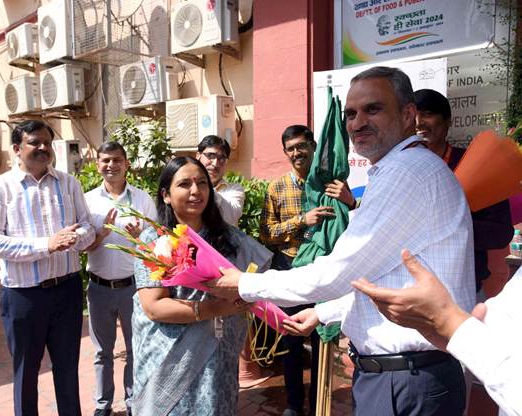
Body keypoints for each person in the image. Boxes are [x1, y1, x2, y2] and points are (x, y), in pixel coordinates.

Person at [208, 66, 477, 416]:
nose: (356, 123)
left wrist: (244, 283)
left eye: (373, 109)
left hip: (407, 379)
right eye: (351, 113)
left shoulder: (407, 173)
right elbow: (379, 277)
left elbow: (341, 270)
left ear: (408, 114)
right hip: (400, 376)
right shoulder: (396, 170)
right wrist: (322, 312)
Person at [131, 156, 272, 415]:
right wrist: (216, 308)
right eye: (184, 184)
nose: (196, 191)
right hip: (171, 357)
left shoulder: (229, 239)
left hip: (219, 354)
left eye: (202, 183)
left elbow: (255, 279)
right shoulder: (154, 239)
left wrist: (248, 296)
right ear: (166, 195)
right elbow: (154, 307)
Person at [0, 120, 95, 416]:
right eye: (35, 142)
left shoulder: (69, 183)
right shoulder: (2, 188)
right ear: (17, 148)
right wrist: (46, 245)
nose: (43, 148)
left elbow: (87, 228)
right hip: (23, 297)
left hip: (67, 290)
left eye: (47, 142)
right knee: (26, 373)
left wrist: (77, 237)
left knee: (68, 369)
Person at [352, 250, 522, 416]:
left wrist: (452, 324)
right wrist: (451, 328)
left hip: (415, 375)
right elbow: (497, 320)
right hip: (406, 370)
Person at [259, 124, 354, 416]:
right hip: (289, 268)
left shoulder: (329, 184)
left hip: (323, 270)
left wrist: (350, 201)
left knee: (321, 338)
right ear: (285, 153)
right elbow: (266, 234)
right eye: (290, 149)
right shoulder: (276, 187)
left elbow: (352, 224)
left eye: (301, 146)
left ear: (313, 146)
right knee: (291, 342)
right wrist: (302, 220)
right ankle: (293, 404)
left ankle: (318, 404)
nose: (296, 153)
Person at [414, 88, 513, 295]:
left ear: (448, 121)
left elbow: (502, 234)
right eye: (412, 115)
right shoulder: (400, 169)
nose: (418, 122)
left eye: (427, 114)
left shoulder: (479, 165)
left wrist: (453, 224)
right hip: (411, 287)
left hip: (464, 288)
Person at [84, 141, 157, 416]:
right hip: (99, 288)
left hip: (133, 288)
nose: (111, 165)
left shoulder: (142, 200)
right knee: (102, 353)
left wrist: (141, 238)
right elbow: (82, 246)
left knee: (135, 350)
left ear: (127, 164)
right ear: (97, 164)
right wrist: (99, 234)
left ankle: (132, 403)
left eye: (117, 160)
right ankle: (102, 405)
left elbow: (156, 244)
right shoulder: (88, 200)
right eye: (105, 160)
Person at [196, 135, 245, 226]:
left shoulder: (234, 189)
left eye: (221, 158)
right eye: (211, 156)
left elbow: (230, 216)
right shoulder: (189, 187)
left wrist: (204, 188)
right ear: (198, 156)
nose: (215, 163)